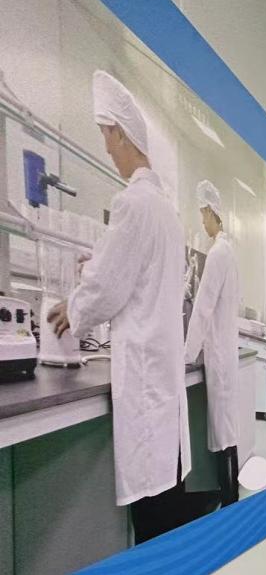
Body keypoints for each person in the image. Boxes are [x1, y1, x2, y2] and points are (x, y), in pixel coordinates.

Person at [47, 71, 191, 544]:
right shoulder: (166, 212)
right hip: (163, 383)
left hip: (147, 382)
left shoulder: (132, 202)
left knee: (152, 520)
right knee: (166, 508)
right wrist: (98, 267)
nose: (106, 148)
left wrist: (72, 309)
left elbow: (108, 289)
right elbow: (133, 273)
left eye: (106, 135)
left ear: (121, 134)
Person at [185, 179, 241, 508]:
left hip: (218, 353)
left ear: (209, 211)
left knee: (222, 432)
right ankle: (231, 495)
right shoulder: (228, 252)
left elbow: (203, 308)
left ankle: (228, 499)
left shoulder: (218, 253)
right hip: (225, 350)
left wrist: (186, 354)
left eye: (201, 214)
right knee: (226, 430)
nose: (201, 222)